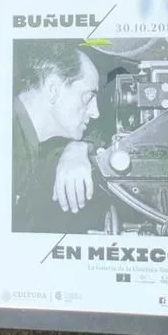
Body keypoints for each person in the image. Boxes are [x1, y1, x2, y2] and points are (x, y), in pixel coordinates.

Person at [11, 42, 102, 232]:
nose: (96, 113)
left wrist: (79, 147)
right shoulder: (6, 146)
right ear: (53, 89)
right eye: (88, 97)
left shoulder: (28, 140)